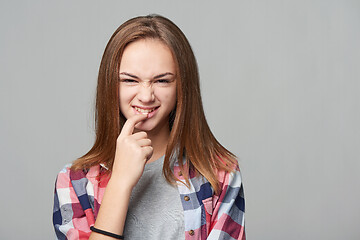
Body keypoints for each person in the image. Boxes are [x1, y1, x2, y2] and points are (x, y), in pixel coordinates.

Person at [53, 14, 245, 240]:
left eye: (162, 80)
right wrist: (120, 182)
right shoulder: (74, 181)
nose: (146, 96)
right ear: (110, 84)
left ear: (181, 86)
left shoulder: (220, 174)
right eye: (129, 80)